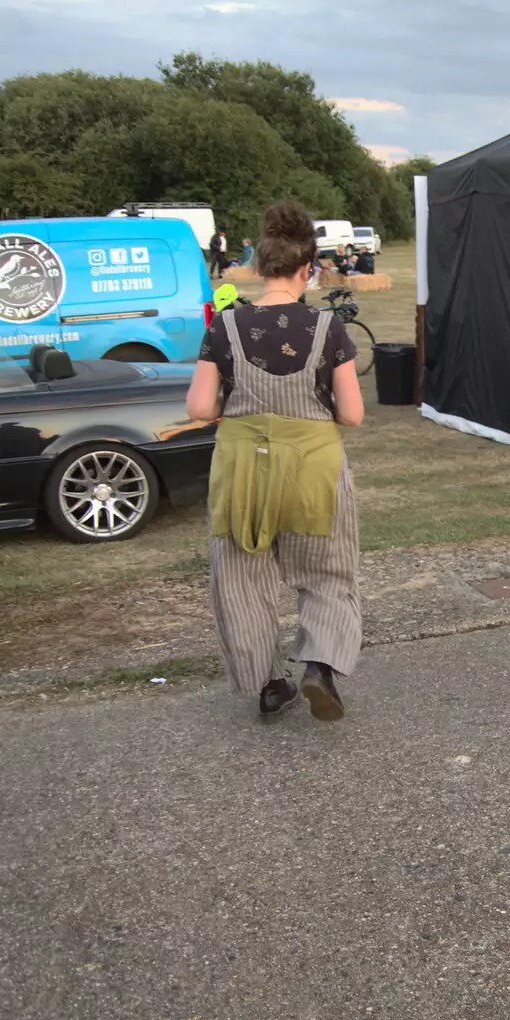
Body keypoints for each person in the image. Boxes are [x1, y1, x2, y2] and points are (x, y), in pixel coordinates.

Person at [185, 202, 366, 721]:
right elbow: (352, 414)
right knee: (328, 574)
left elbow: (199, 408)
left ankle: (269, 683)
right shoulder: (330, 329)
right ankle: (320, 667)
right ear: (308, 269)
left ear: (260, 267)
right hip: (314, 470)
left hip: (243, 471)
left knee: (242, 583)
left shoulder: (223, 326)